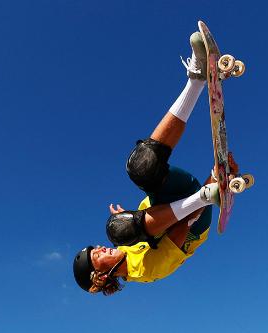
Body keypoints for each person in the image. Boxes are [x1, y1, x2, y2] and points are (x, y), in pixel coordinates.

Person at [72, 31, 242, 296]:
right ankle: (205, 196)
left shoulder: (126, 243)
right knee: (121, 229)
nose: (101, 248)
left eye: (96, 248)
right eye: (97, 256)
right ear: (101, 276)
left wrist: (130, 219)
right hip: (195, 217)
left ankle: (196, 80)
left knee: (140, 169)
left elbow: (135, 224)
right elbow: (181, 228)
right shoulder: (147, 271)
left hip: (178, 195)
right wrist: (214, 185)